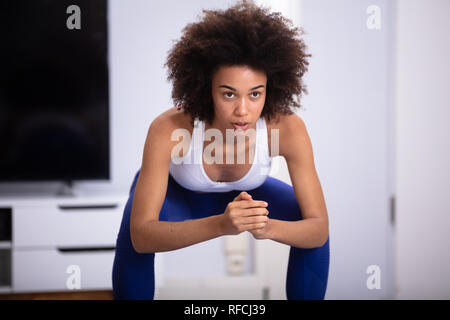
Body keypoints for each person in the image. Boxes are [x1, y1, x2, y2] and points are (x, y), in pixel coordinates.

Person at [112, 0, 330, 300]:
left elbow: (318, 229)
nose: (243, 110)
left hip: (249, 196)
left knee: (307, 226)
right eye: (229, 94)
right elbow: (141, 237)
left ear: (271, 88)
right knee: (133, 227)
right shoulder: (170, 129)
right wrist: (222, 225)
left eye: (255, 94)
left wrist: (268, 228)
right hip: (178, 197)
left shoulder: (287, 129)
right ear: (206, 89)